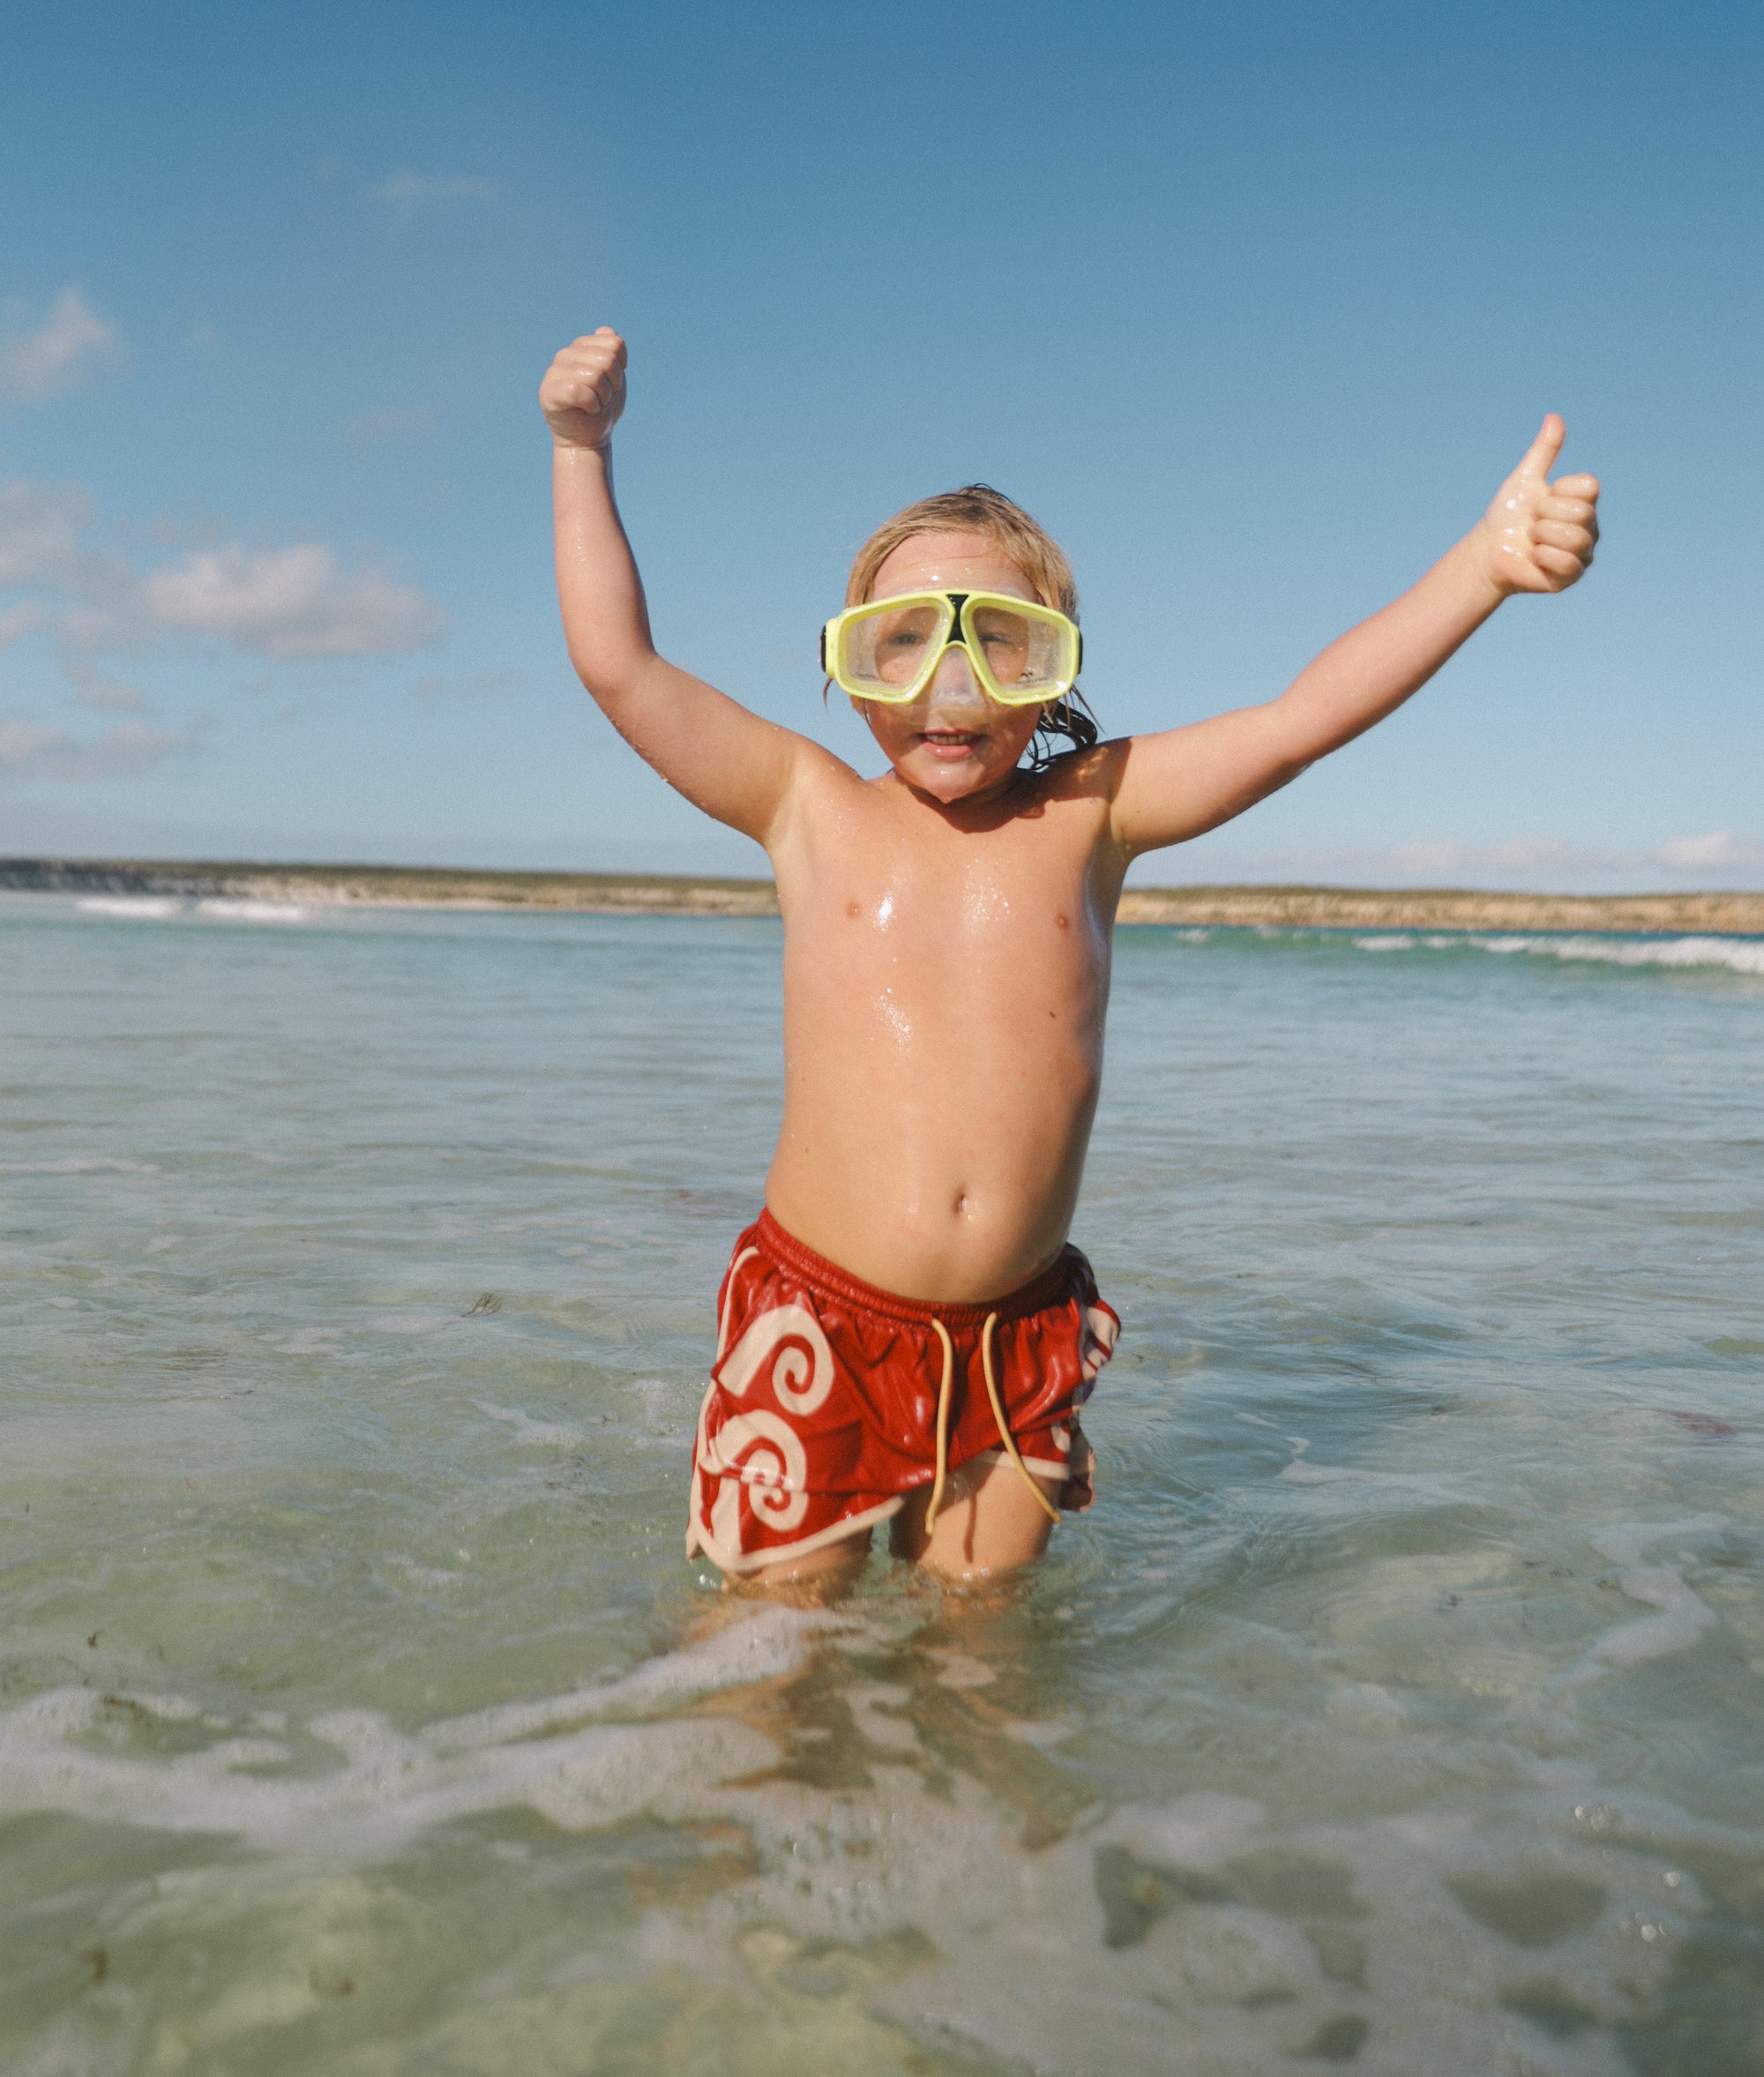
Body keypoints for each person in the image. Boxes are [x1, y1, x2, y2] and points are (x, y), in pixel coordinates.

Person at [541, 328, 1600, 1589]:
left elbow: (1299, 719)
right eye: (904, 640)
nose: (952, 677)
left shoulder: (1091, 818)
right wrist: (580, 450)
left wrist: (1481, 569)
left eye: (1002, 640)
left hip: (1011, 1335)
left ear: (1055, 675)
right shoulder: (804, 807)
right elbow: (619, 665)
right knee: (772, 1657)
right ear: (850, 665)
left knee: (990, 1663)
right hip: (815, 1320)